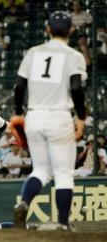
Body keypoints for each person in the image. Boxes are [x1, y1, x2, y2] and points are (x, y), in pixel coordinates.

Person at [13, 11, 87, 230]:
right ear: (71, 30)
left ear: (47, 29)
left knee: (40, 171)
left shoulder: (33, 53)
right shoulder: (74, 56)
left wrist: (18, 112)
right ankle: (63, 224)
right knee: (63, 173)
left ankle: (25, 203)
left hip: (34, 116)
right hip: (59, 116)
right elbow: (76, 88)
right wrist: (81, 117)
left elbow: (19, 86)